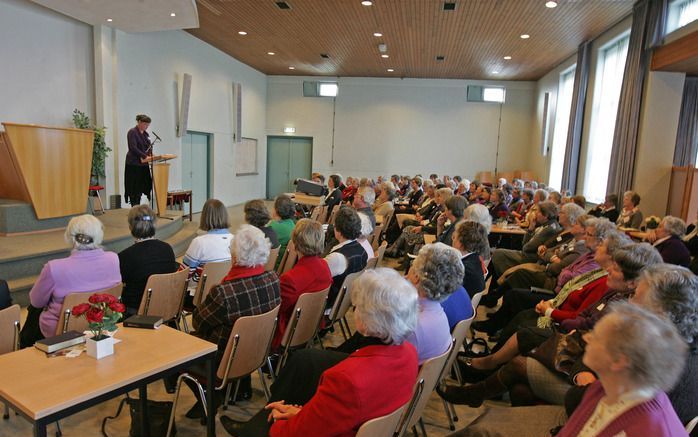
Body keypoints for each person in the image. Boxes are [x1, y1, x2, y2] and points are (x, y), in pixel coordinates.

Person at [219, 268, 419, 437]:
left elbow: (297, 433)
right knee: (307, 361)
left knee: (271, 420)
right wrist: (302, 413)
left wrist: (277, 424)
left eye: (356, 307)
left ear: (368, 318)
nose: (354, 310)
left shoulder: (346, 379)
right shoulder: (410, 354)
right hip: (360, 425)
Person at [189, 225, 281, 418]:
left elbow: (198, 322)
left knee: (178, 351)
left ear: (234, 257)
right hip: (257, 352)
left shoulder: (224, 292)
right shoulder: (274, 279)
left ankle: (210, 399)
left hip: (223, 360)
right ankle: (240, 388)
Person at [556, 303, 687, 436]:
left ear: (619, 360)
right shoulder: (601, 389)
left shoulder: (648, 429)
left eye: (596, 336)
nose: (586, 338)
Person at [21, 215, 121, 347]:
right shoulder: (113, 259)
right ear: (99, 235)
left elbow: (36, 301)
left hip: (62, 331)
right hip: (101, 325)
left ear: (70, 238)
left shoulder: (54, 268)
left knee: (33, 312)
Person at [273, 219, 333, 349]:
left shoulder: (291, 279)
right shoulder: (324, 267)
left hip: (288, 333)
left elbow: (276, 310)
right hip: (310, 326)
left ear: (295, 244)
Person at [118, 205, 179, 316]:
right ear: (154, 225)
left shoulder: (125, 256)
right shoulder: (168, 249)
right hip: (167, 308)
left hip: (136, 313)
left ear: (130, 227)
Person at [182, 199, 233, 302]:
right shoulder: (235, 239)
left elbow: (185, 274)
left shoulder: (199, 242)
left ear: (204, 217)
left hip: (201, 296)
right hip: (227, 293)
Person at [324, 207, 368, 306]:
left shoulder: (337, 257)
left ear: (338, 231)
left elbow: (316, 277)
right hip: (345, 302)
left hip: (329, 304)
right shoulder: (362, 250)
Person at [124, 114, 153, 206]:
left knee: (143, 185)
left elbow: (148, 147)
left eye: (148, 125)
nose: (147, 126)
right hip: (133, 164)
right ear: (139, 122)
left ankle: (139, 204)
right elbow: (133, 147)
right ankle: (134, 206)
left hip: (143, 165)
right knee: (134, 187)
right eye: (145, 124)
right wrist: (145, 156)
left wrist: (151, 155)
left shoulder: (145, 134)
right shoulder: (132, 132)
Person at [270, 194, 296, 266]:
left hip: (272, 265)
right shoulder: (292, 224)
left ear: (276, 210)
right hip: (283, 265)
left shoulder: (273, 227)